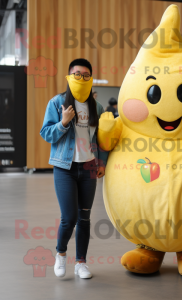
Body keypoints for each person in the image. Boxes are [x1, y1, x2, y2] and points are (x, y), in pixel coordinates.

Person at [40, 58, 108, 279]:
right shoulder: (57, 102)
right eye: (77, 74)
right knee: (69, 217)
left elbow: (101, 138)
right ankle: (61, 254)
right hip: (65, 168)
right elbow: (46, 133)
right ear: (69, 77)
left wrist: (102, 162)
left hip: (89, 168)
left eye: (86, 75)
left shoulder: (96, 107)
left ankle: (81, 263)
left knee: (85, 218)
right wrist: (64, 122)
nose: (82, 78)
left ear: (91, 78)